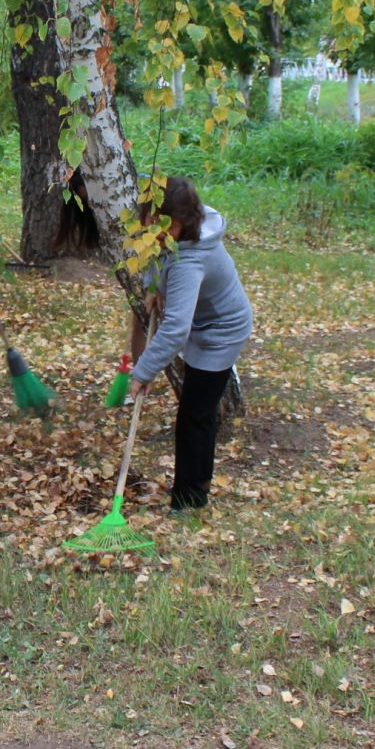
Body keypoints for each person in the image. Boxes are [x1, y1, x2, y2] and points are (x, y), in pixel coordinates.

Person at [127, 176, 253, 512]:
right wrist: (154, 287)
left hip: (222, 331)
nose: (150, 230)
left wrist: (143, 372)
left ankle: (190, 500)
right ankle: (191, 491)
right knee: (195, 412)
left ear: (179, 222)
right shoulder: (183, 232)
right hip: (204, 324)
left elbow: (175, 330)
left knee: (195, 416)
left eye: (158, 224)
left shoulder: (191, 262)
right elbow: (157, 253)